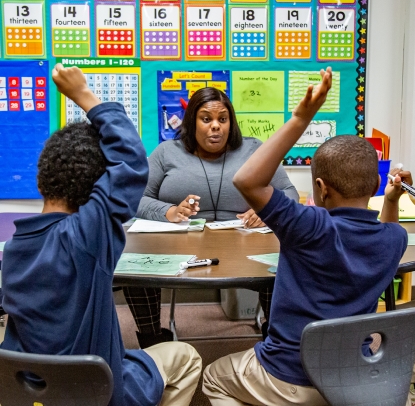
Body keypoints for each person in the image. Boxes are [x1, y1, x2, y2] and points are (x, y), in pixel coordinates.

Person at [202, 67, 411, 405]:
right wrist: (391, 199)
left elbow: (247, 181)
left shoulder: (309, 226)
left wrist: (302, 117)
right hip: (351, 377)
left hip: (288, 377)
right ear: (375, 185)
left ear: (320, 189)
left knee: (214, 377)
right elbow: (389, 228)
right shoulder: (393, 241)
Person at [0, 64, 202, 406]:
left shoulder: (15, 247)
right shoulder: (86, 237)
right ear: (97, 190)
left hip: (31, 388)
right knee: (185, 356)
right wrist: (84, 96)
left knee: (130, 355)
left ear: (42, 179)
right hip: (99, 390)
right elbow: (131, 160)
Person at [123, 87, 299, 348]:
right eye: (206, 119)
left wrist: (266, 210)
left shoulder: (253, 149)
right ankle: (152, 338)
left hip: (248, 245)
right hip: (177, 245)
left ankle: (274, 338)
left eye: (222, 119)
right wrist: (168, 211)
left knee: (284, 261)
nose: (215, 127)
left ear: (231, 122)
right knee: (135, 267)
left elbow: (290, 193)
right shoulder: (166, 152)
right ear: (192, 121)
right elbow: (134, 198)